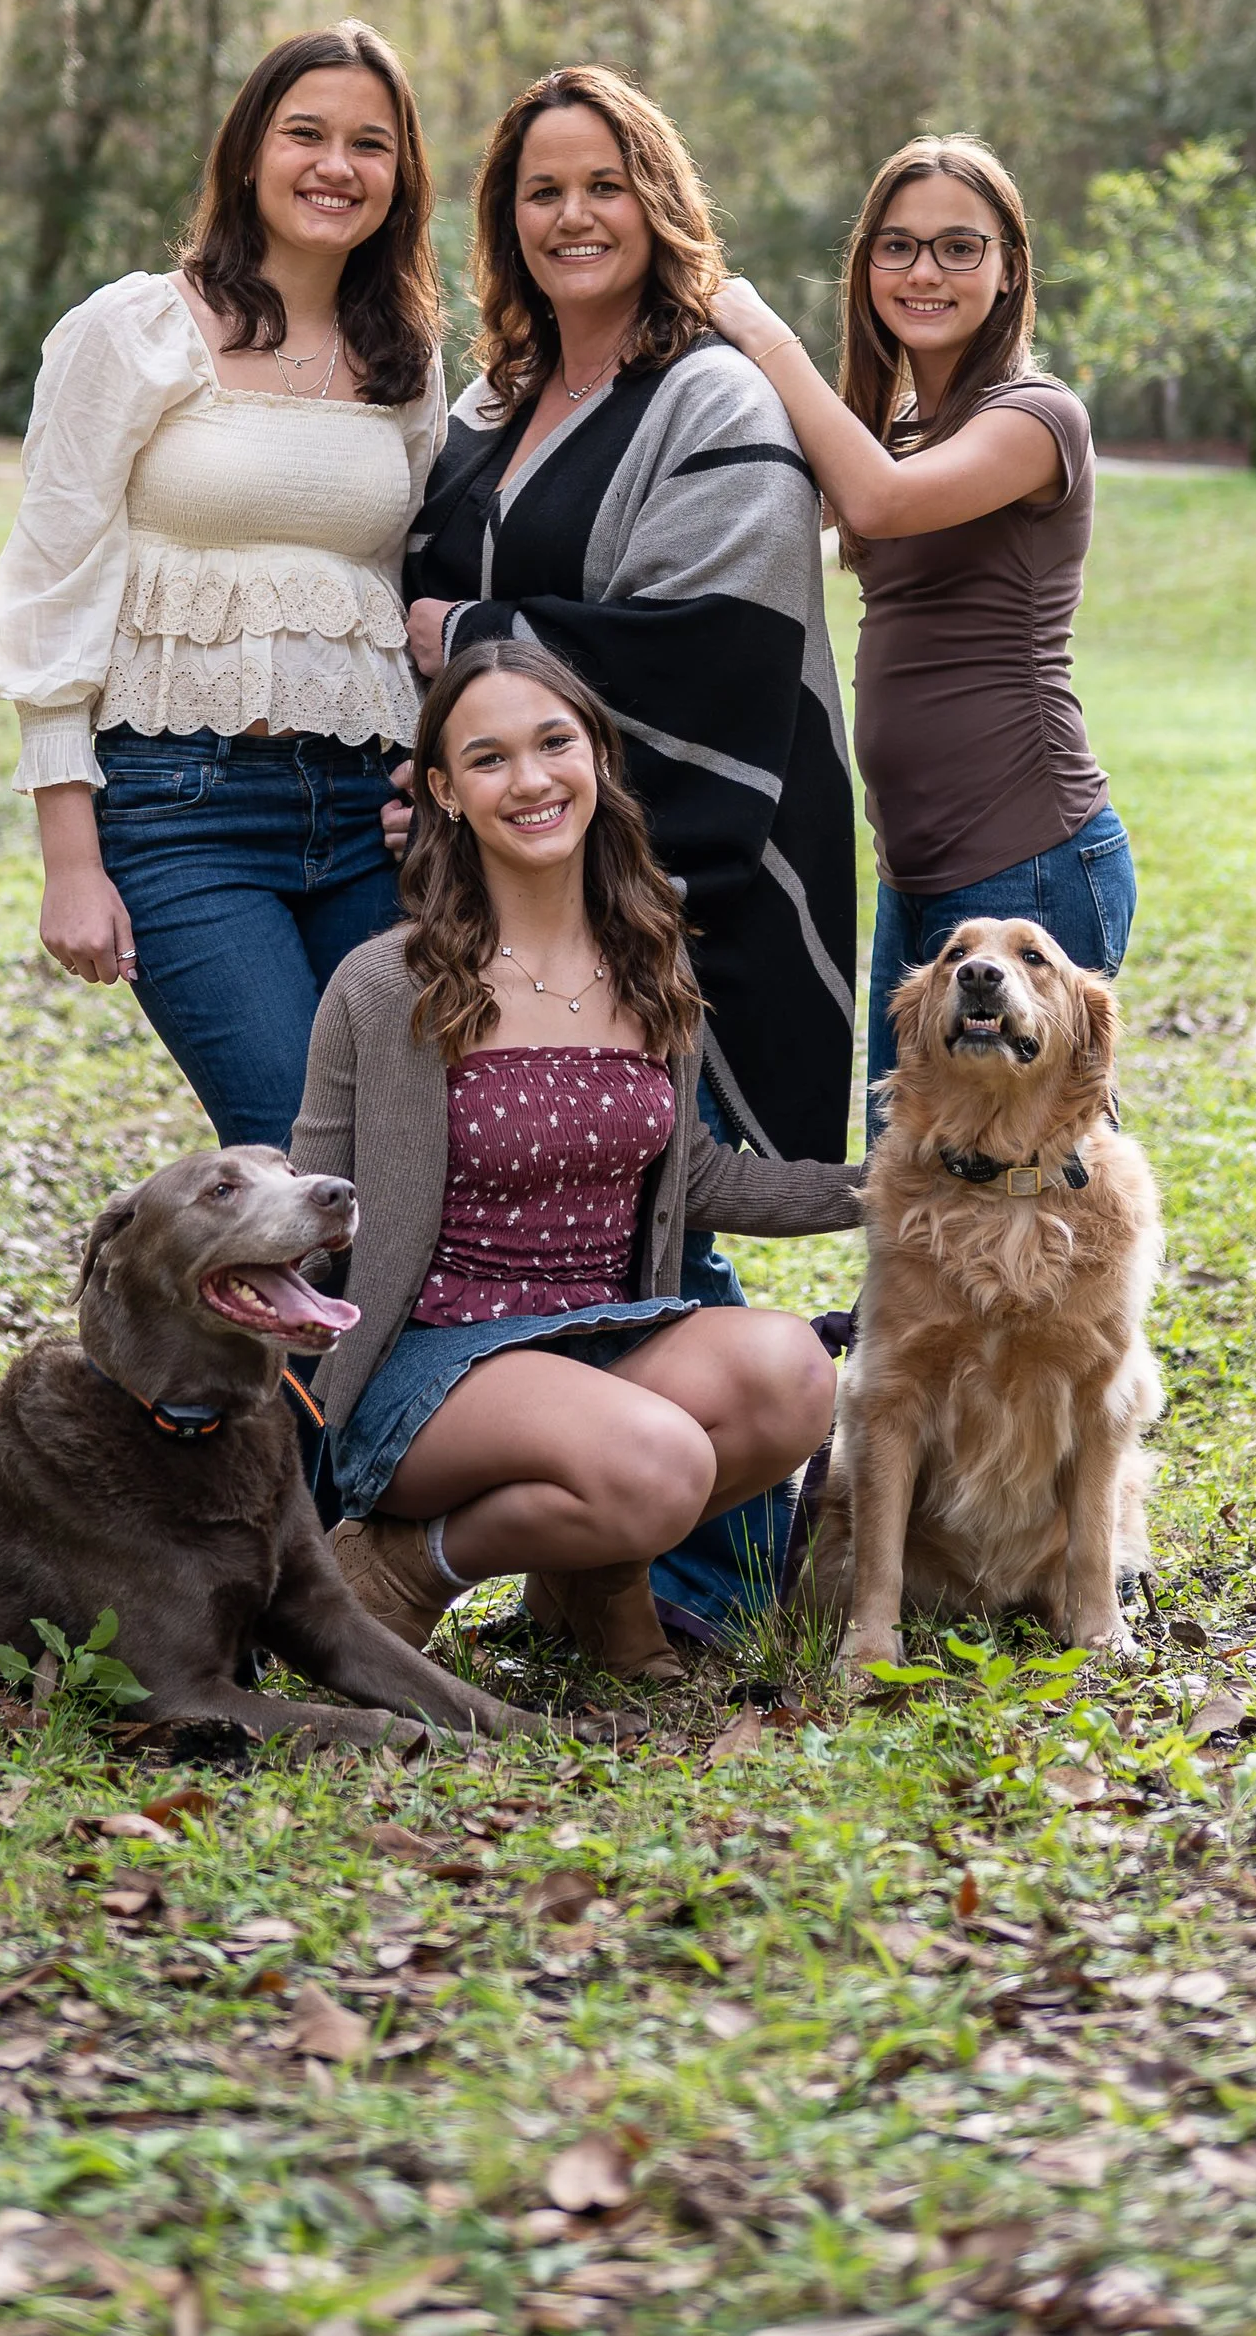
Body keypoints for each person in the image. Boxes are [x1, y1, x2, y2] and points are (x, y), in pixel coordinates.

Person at [296, 641, 858, 1681]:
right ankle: (407, 1565)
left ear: (597, 754)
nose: (531, 780)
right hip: (434, 1364)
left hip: (606, 1338)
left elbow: (696, 1176)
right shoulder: (386, 985)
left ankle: (588, 1578)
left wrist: (893, 1185)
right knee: (660, 1460)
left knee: (792, 1376)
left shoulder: (650, 958)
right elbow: (313, 1208)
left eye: (554, 742)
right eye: (489, 758)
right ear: (444, 792)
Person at [0, 22, 445, 1148]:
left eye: (369, 144)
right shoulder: (136, 329)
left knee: (407, 1146)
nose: (336, 166)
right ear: (248, 154)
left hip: (365, 819)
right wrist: (70, 859)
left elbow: (397, 584)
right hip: (183, 810)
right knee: (295, 1149)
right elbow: (52, 583)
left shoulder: (407, 360)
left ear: (401, 177)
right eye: (305, 134)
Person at [403, 63, 855, 1169]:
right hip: (481, 902)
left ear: (657, 202)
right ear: (507, 221)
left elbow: (710, 655)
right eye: (542, 192)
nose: (574, 216)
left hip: (664, 919)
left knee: (651, 1211)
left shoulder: (715, 398)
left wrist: (464, 636)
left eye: (604, 186)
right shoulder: (492, 399)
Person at [709, 133, 1135, 1126]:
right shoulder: (894, 428)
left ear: (1008, 268)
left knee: (1031, 1165)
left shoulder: (1037, 417)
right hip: (913, 870)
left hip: (1028, 863)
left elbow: (882, 502)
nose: (924, 272)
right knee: (914, 1163)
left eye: (958, 247)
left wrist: (765, 336)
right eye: (896, 247)